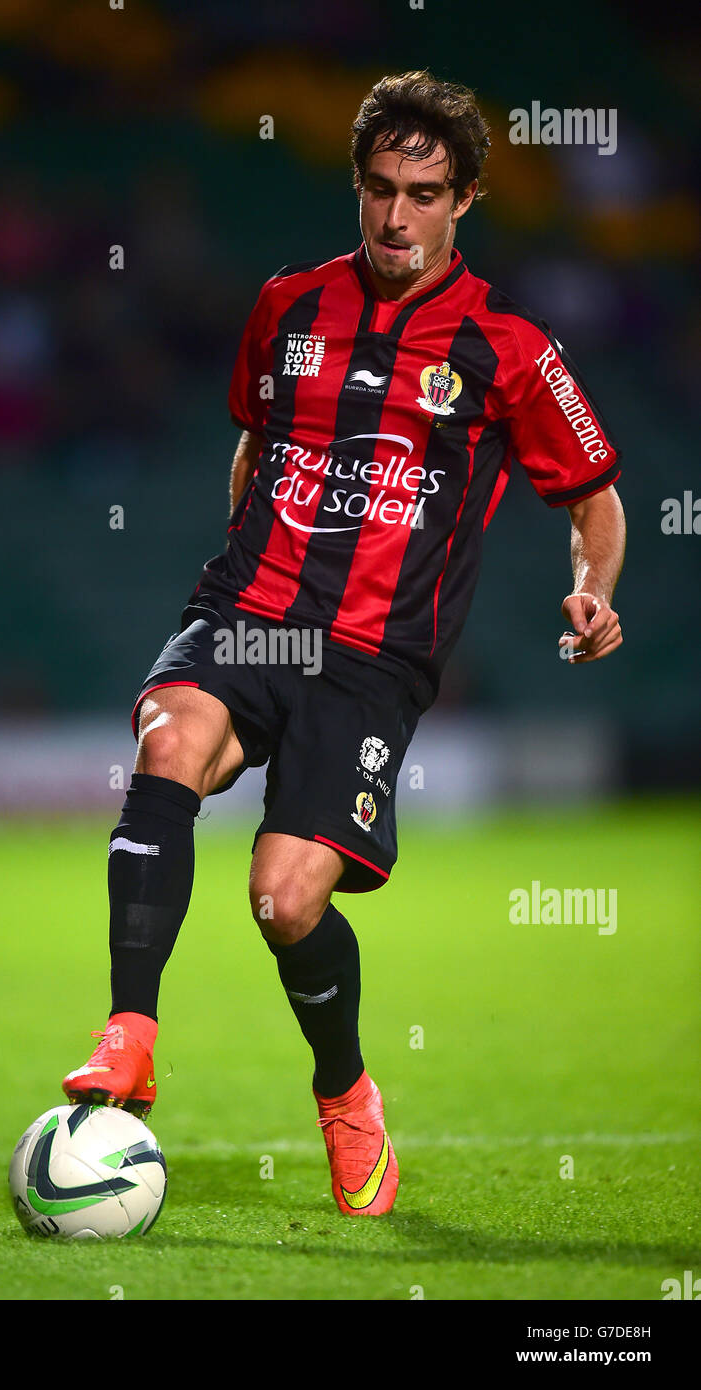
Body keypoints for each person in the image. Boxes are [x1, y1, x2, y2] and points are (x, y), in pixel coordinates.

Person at [62, 70, 625, 1217]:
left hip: (369, 660)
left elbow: (593, 500)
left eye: (422, 193)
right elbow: (256, 444)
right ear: (354, 186)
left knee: (285, 900)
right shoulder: (287, 306)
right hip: (248, 614)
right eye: (377, 188)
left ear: (462, 199)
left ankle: (344, 1090)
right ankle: (127, 1032)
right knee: (167, 739)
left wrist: (591, 590)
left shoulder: (507, 348)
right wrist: (237, 565)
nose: (393, 216)